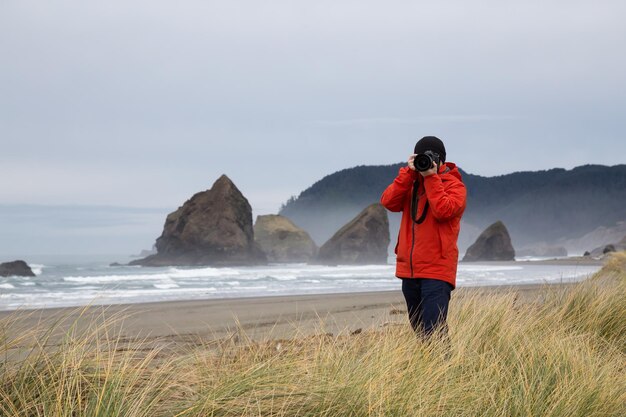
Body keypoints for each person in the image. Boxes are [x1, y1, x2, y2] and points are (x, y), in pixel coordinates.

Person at [380, 136, 466, 338]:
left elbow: (443, 210)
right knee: (420, 331)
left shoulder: (455, 186)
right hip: (409, 271)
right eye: (422, 156)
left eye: (432, 157)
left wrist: (431, 178)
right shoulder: (410, 184)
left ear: (441, 160)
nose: (427, 160)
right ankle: (433, 369)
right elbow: (388, 202)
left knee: (434, 331)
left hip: (437, 270)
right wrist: (408, 174)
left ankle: (445, 368)